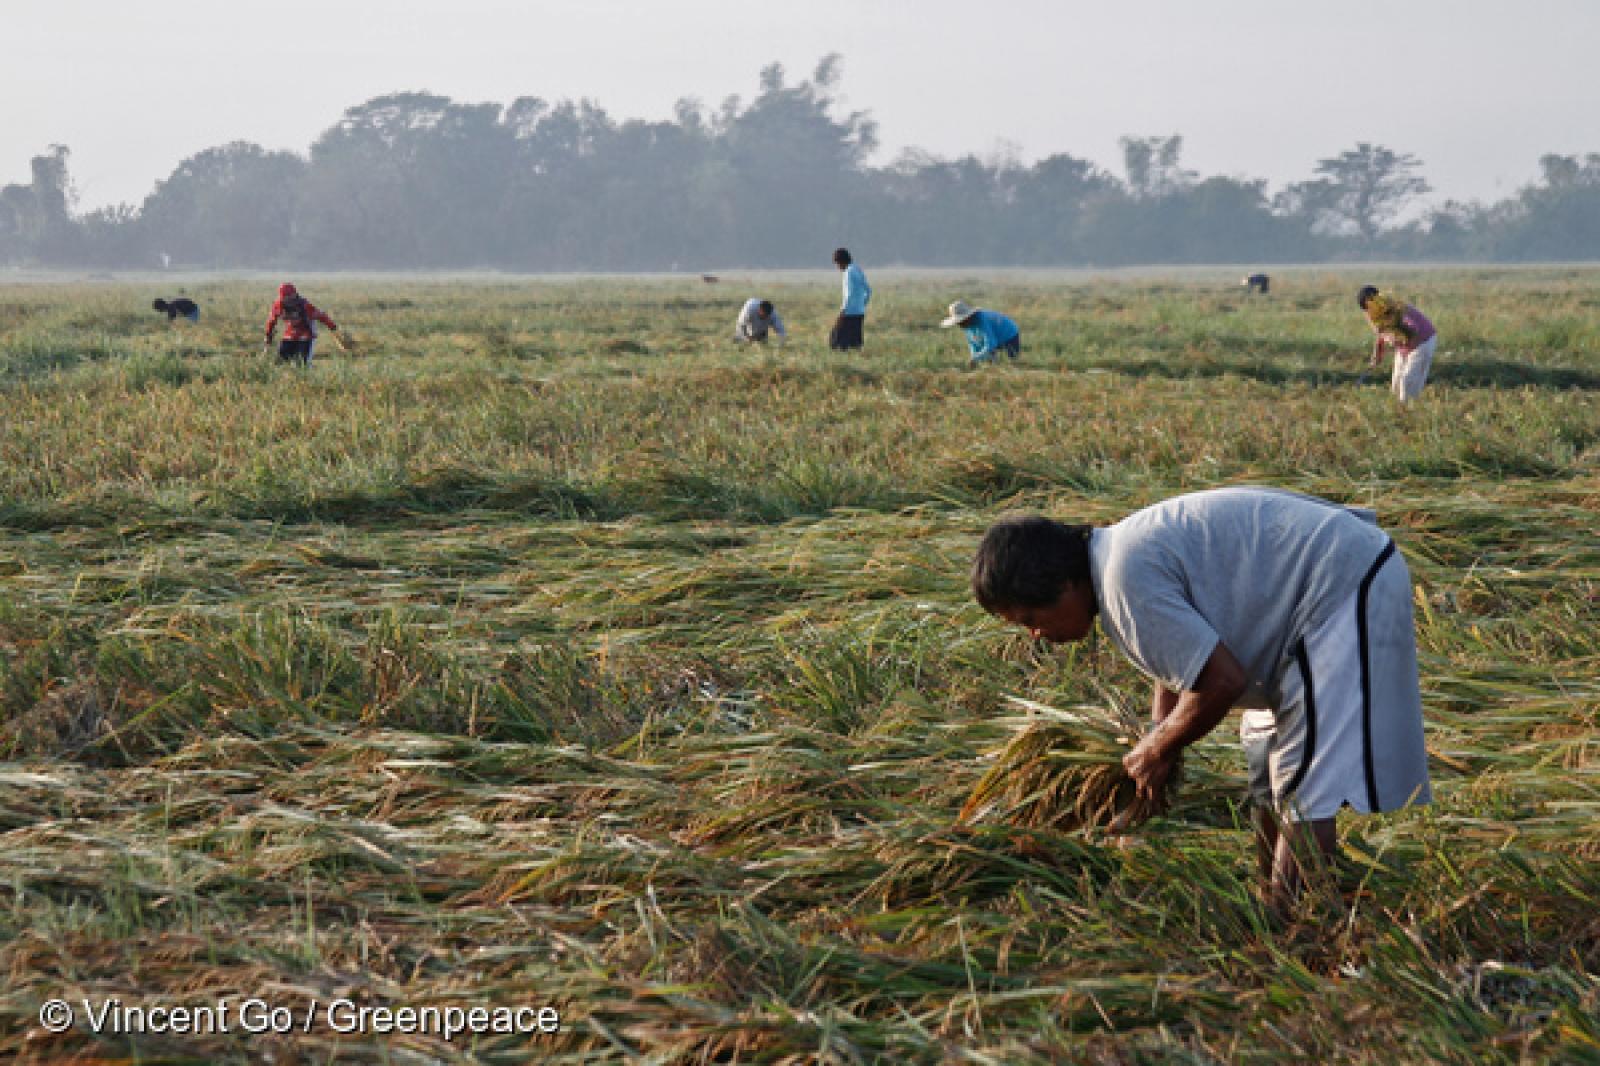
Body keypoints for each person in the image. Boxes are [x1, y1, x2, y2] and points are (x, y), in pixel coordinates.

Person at [971, 487, 1431, 909]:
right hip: (1305, 598)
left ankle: (1298, 929)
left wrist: (1158, 748)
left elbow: (1221, 682)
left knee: (1304, 785)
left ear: (1063, 584)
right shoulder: (1114, 565)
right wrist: (1159, 736)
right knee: (1268, 776)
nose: (1035, 634)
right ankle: (1271, 900)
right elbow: (1178, 663)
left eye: (1032, 617)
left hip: (1339, 582)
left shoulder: (1122, 578)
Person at [1359, 285, 1437, 404]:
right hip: (1405, 347)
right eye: (1365, 309)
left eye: (1368, 306)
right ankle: (1398, 409)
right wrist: (1377, 355)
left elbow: (1413, 333)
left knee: (1407, 381)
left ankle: (1407, 413)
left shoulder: (1397, 309)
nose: (1367, 312)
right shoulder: (1374, 314)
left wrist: (1397, 340)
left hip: (1422, 343)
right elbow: (1381, 333)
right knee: (1396, 384)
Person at [263, 283, 339, 367]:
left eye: (288, 297)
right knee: (279, 362)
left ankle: (309, 375)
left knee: (302, 364)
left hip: (306, 335)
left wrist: (333, 328)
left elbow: (321, 316)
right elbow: (271, 321)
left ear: (294, 295)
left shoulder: (304, 305)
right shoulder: (278, 305)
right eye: (284, 298)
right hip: (290, 334)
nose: (286, 300)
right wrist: (268, 336)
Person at [940, 300, 1020, 366]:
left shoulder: (982, 320)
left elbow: (991, 344)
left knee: (1013, 362)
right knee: (990, 361)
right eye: (958, 322)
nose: (960, 324)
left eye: (961, 321)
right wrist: (974, 358)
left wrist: (975, 358)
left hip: (1009, 334)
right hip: (994, 336)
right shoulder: (967, 325)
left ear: (967, 318)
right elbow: (973, 343)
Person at [829, 247, 870, 351]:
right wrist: (862, 304)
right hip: (860, 312)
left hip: (849, 313)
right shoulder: (857, 269)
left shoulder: (848, 273)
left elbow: (849, 294)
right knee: (856, 343)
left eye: (837, 264)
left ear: (841, 262)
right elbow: (868, 290)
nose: (838, 268)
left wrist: (843, 311)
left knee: (837, 341)